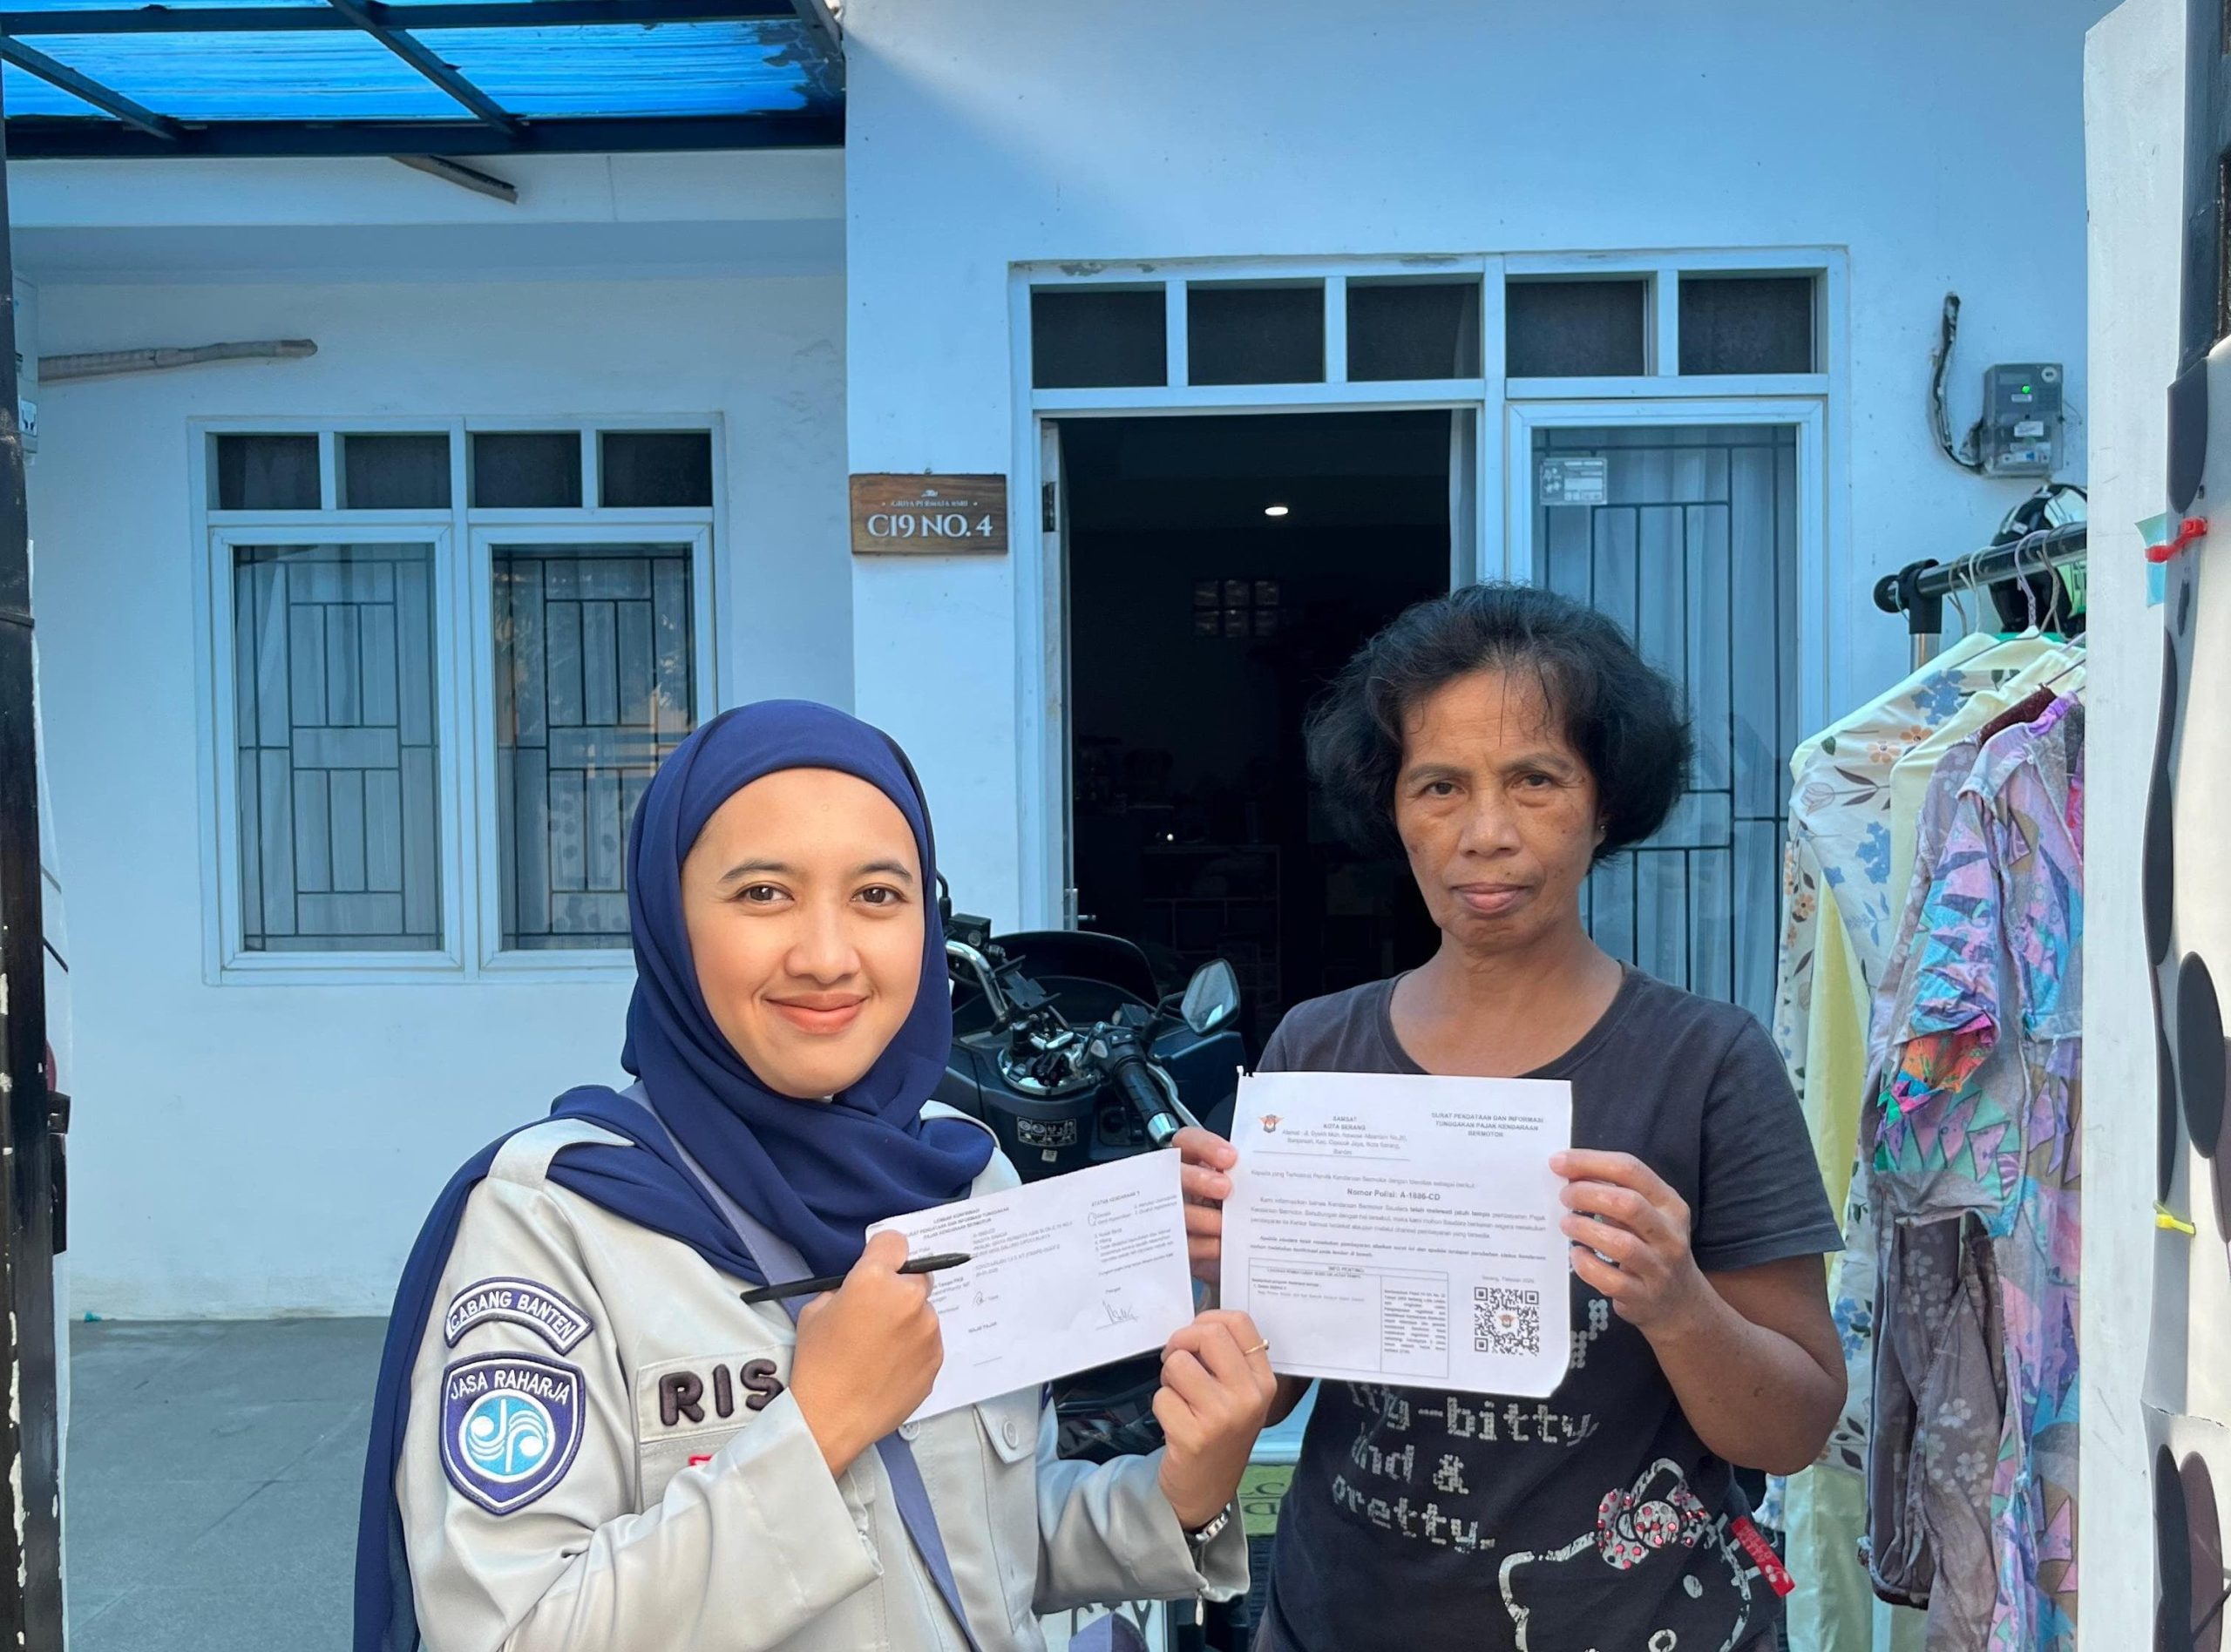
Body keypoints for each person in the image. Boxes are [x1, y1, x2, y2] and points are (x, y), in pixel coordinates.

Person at [354, 700, 1271, 1652]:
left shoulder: (961, 1174)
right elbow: (512, 1634)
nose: (828, 958)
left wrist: (1183, 1489)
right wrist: (819, 1424)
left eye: (877, 894)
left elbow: (988, 1547)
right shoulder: (557, 1225)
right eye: (763, 893)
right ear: (669, 919)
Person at [1177, 584, 1846, 1652]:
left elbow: (1793, 1428)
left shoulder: (1706, 1064)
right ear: (1391, 805)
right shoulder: (1319, 1050)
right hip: (1336, 1619)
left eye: (1535, 780)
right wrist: (1230, 1265)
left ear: (1605, 802)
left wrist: (1677, 1303)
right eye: (1439, 786)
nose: (1484, 835)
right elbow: (1272, 1385)